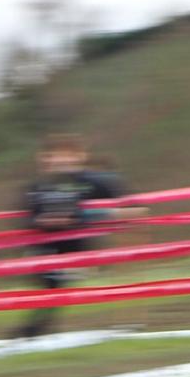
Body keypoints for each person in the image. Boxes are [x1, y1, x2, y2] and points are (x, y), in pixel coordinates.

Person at [14, 135, 129, 341]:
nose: (60, 161)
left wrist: (92, 216)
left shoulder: (95, 181)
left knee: (54, 286)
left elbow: (128, 206)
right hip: (44, 249)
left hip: (77, 250)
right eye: (54, 156)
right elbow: (27, 218)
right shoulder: (37, 187)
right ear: (44, 159)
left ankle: (33, 330)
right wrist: (44, 221)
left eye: (66, 156)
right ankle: (34, 329)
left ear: (80, 156)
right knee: (49, 286)